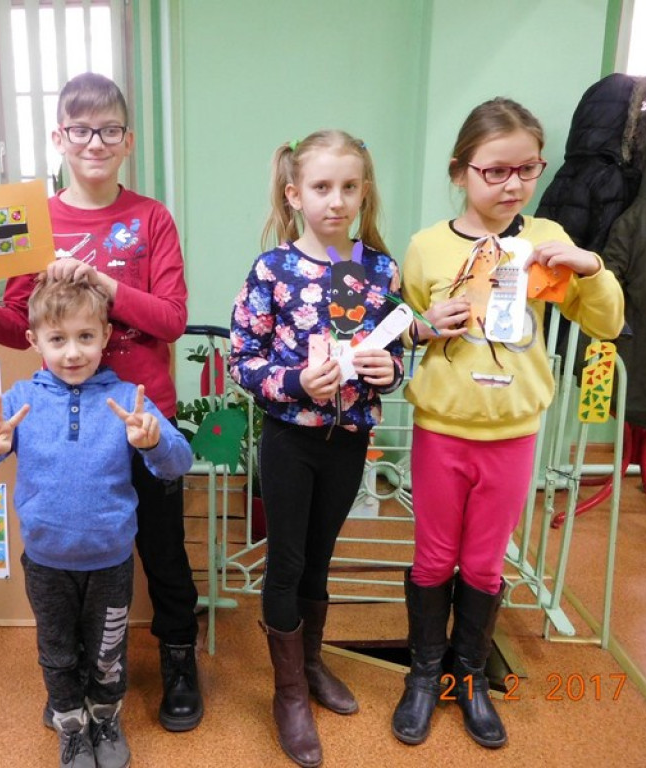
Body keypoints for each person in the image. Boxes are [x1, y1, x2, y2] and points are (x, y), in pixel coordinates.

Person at [0, 71, 205, 732]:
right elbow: (19, 327)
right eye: (79, 129)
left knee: (164, 553)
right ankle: (73, 675)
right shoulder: (35, 219)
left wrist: (104, 284)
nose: (94, 141)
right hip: (63, 420)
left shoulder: (150, 218)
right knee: (69, 553)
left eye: (109, 129)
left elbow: (170, 320)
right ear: (58, 136)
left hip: (141, 413)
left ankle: (178, 660)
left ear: (128, 140)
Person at [391, 98, 624, 750]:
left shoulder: (547, 240)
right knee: (435, 557)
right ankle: (424, 673)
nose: (512, 184)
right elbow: (403, 330)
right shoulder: (427, 247)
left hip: (514, 434)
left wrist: (592, 268)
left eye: (526, 169)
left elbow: (603, 323)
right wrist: (421, 326)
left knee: (486, 563)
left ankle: (468, 677)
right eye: (494, 171)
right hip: (442, 429)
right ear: (461, 170)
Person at [0, 278, 193, 768]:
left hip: (110, 562)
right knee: (57, 653)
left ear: (105, 336)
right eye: (58, 340)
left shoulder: (128, 399)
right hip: (46, 562)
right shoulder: (19, 401)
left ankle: (104, 715)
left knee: (108, 652)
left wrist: (151, 443)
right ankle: (71, 726)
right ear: (35, 341)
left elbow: (178, 462)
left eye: (85, 337)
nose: (73, 352)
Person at [229, 130, 405, 768]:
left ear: (363, 193)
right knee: (287, 559)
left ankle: (311, 660)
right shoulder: (272, 270)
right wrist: (295, 382)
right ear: (294, 193)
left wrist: (390, 371)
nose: (337, 200)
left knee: (320, 559)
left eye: (349, 187)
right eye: (322, 187)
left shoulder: (378, 268)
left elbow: (395, 349)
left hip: (348, 439)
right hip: (288, 440)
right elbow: (241, 360)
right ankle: (290, 692)